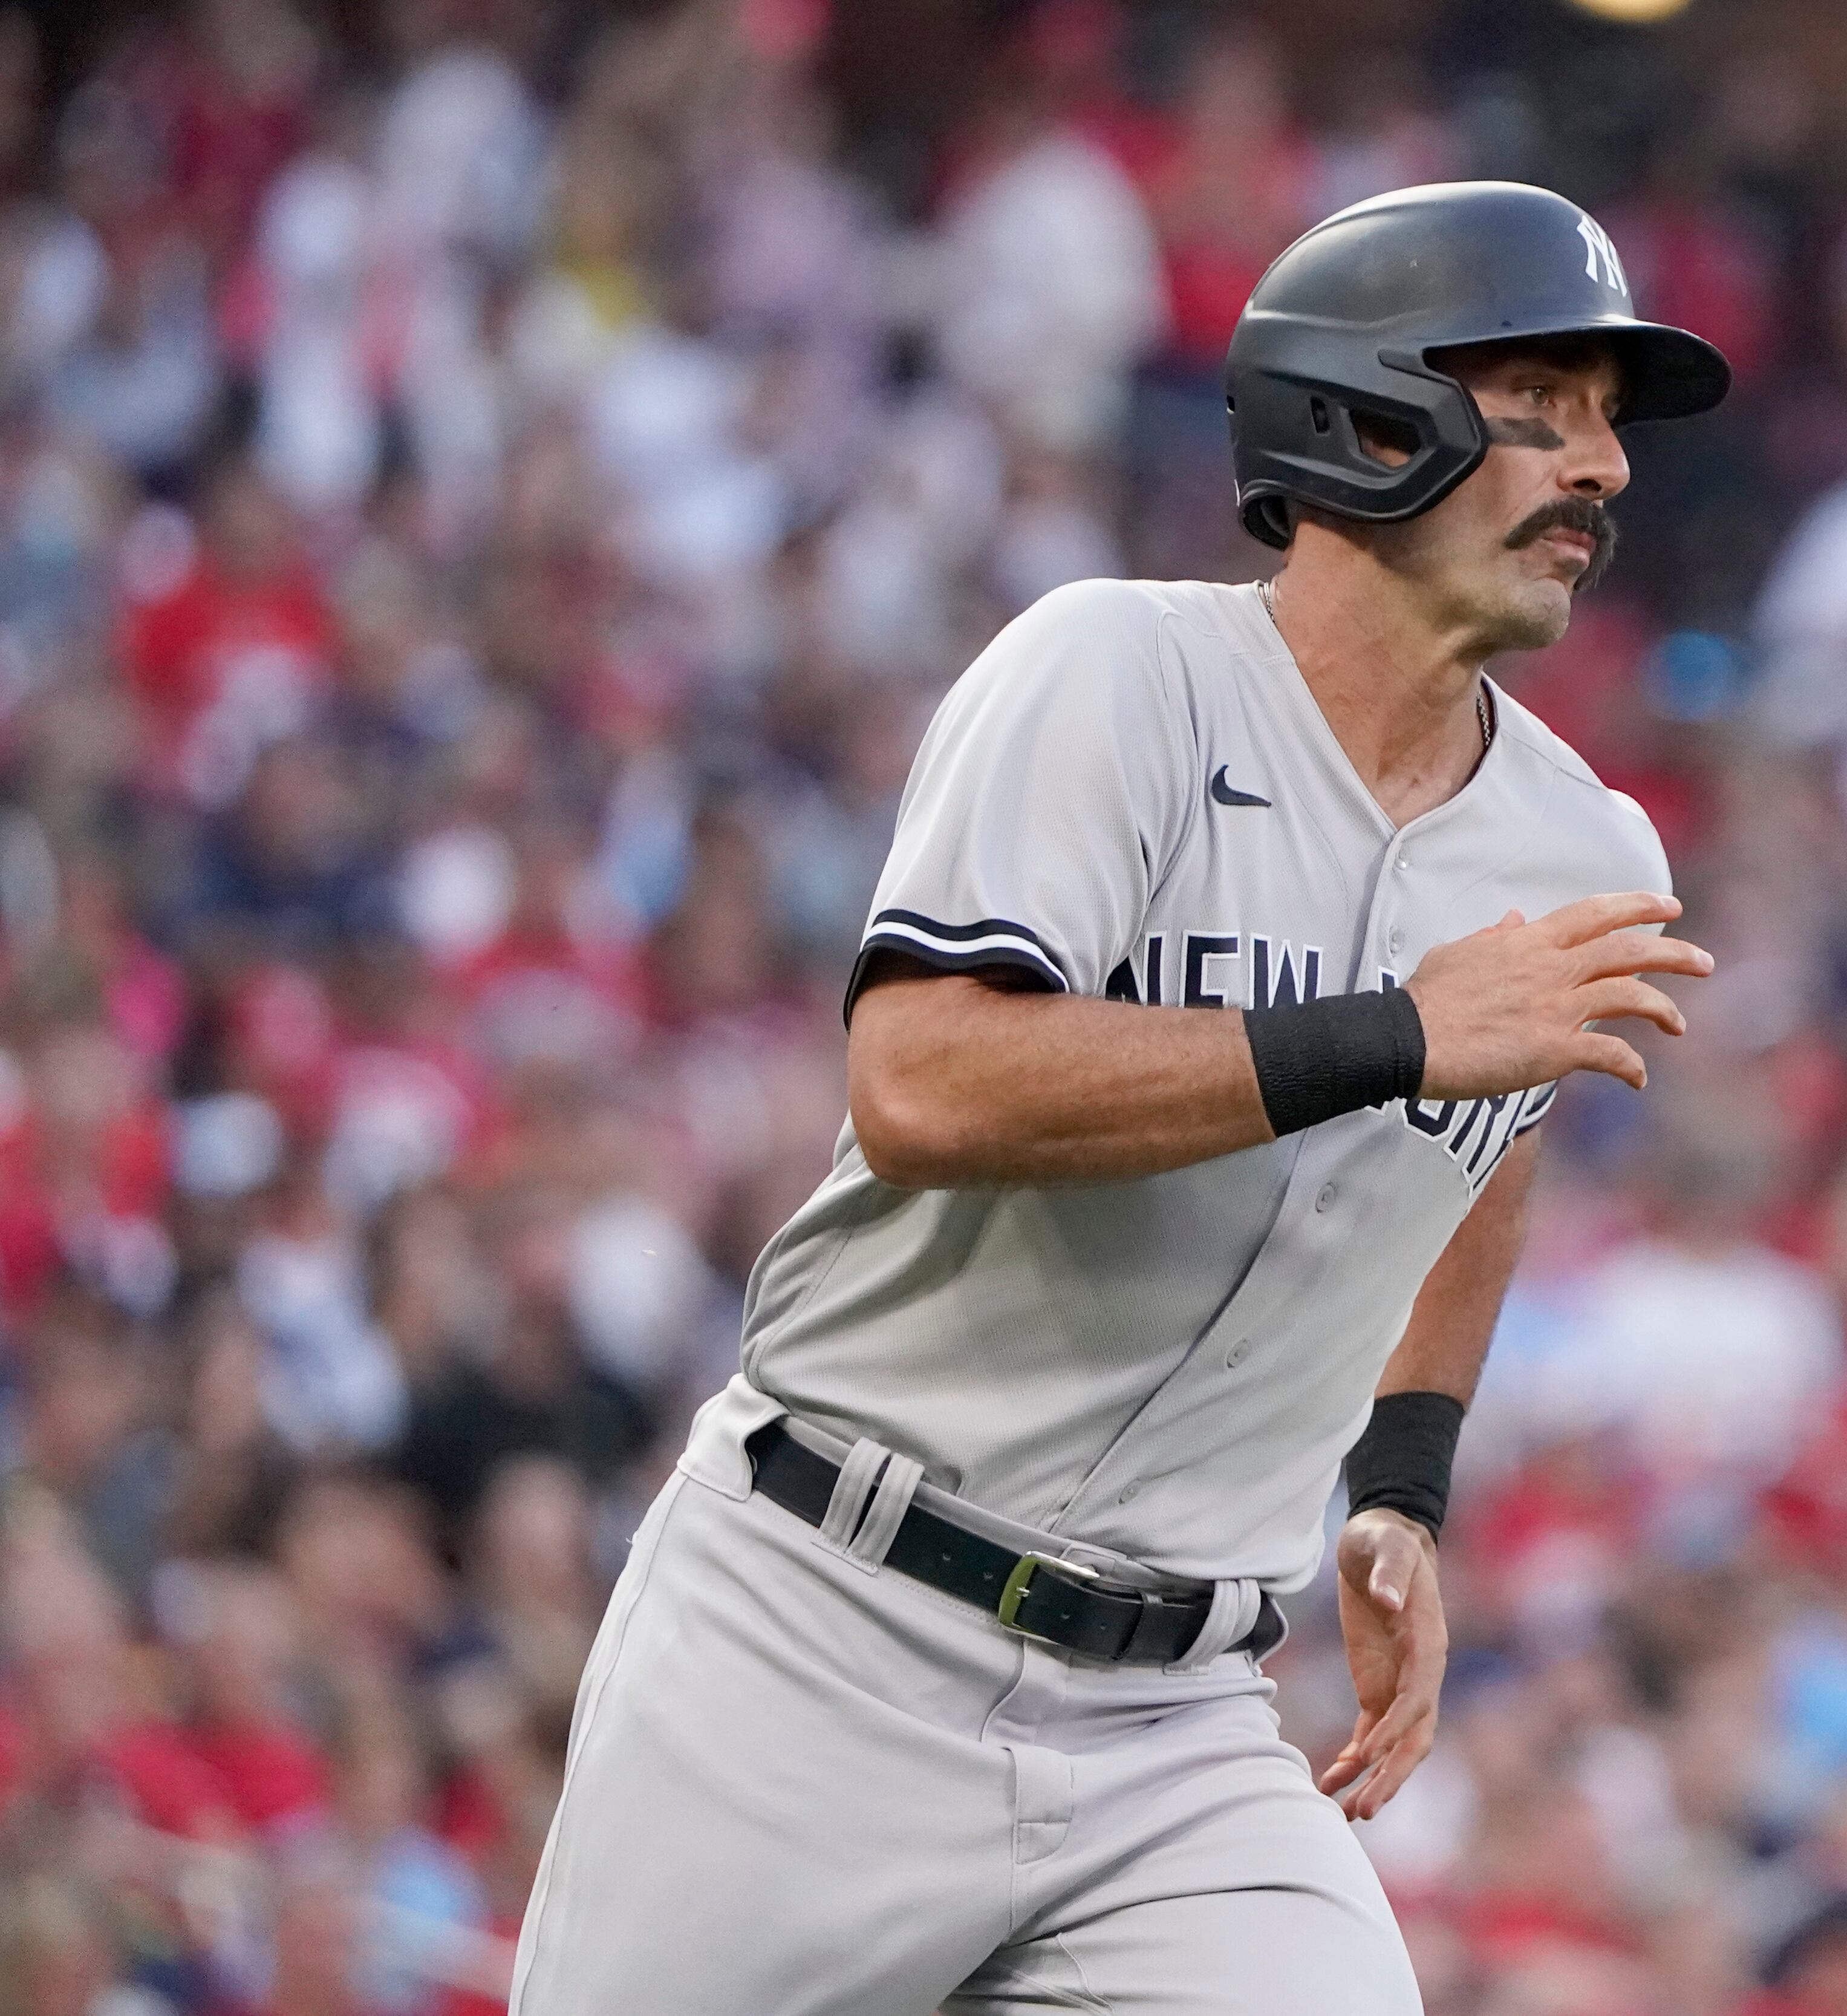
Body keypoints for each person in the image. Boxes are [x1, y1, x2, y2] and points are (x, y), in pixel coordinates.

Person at [507, 180, 1729, 2015]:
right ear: (1366, 416)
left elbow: (1492, 1131)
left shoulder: (1586, 844)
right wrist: (1394, 1032)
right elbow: (924, 1079)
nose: (1605, 470)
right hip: (830, 1628)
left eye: (1611, 422)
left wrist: (1403, 1483)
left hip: (1179, 1721)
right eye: (1543, 406)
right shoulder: (1115, 673)